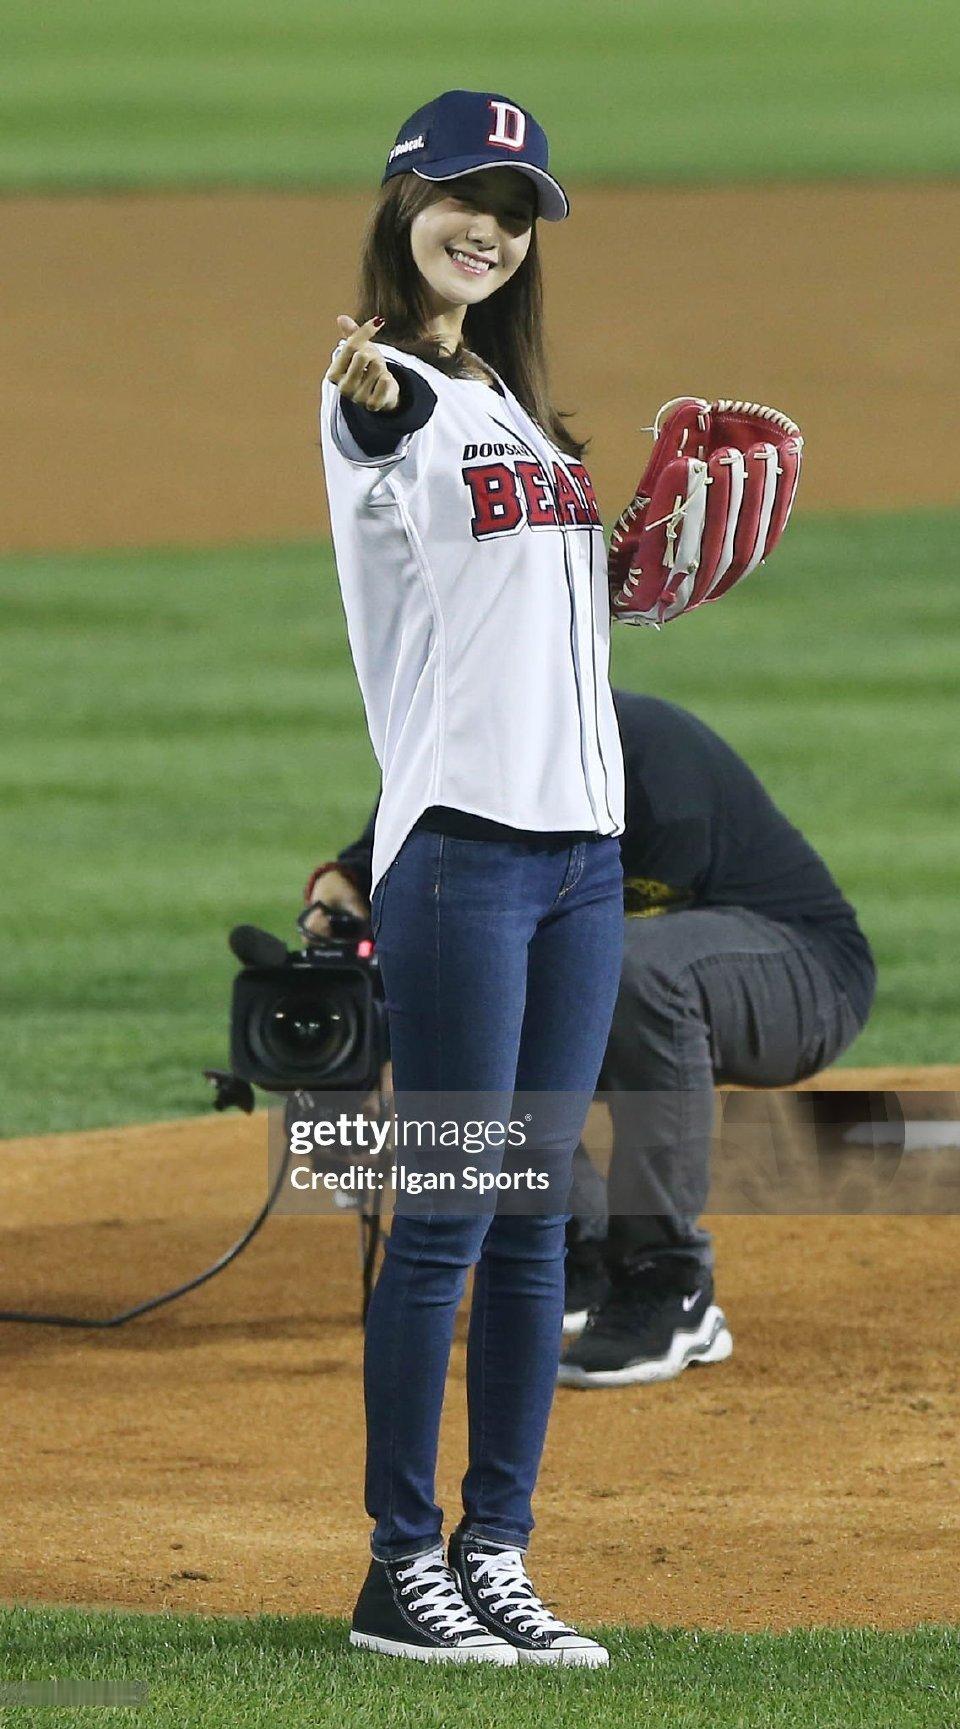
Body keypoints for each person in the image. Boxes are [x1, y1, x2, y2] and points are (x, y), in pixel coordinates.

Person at [317, 89, 624, 1665]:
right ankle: (398, 1565)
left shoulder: (513, 403)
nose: (487, 228)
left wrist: (633, 570)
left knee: (533, 1220)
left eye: (513, 209)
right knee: (444, 1215)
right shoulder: (388, 387)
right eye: (461, 196)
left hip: (581, 861)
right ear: (404, 203)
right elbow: (377, 435)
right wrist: (380, 390)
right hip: (459, 858)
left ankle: (494, 1549)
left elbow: (528, 619)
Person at [305, 690, 876, 1392]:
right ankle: (574, 1248)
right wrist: (345, 929)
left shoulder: (650, 773)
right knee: (481, 971)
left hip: (799, 975)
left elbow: (611, 971)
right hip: (656, 977)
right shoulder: (452, 752)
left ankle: (669, 1282)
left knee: (620, 971)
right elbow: (360, 881)